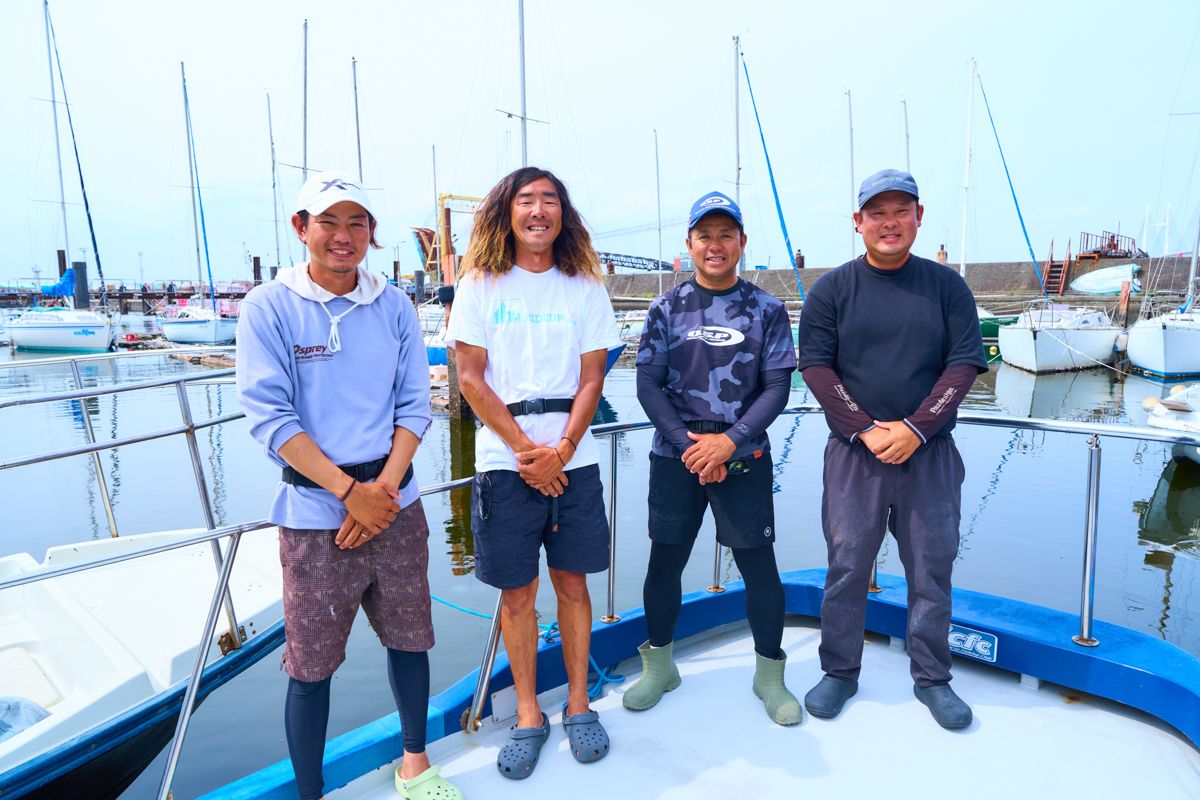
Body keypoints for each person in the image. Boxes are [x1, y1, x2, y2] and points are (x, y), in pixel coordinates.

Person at [236, 170, 461, 800]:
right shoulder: (269, 307)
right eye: (328, 222)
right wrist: (347, 491)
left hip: (395, 502)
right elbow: (270, 416)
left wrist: (382, 491)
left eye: (356, 222)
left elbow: (415, 405)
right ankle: (311, 792)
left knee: (410, 640)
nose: (343, 236)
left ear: (372, 233)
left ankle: (415, 764)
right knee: (309, 666)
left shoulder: (393, 305)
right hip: (314, 514)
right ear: (300, 228)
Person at [796, 169, 987, 729]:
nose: (889, 223)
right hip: (856, 456)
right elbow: (816, 366)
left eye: (901, 211)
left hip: (929, 454)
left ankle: (932, 677)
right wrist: (866, 428)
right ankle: (839, 671)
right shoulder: (832, 290)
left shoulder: (947, 287)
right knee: (847, 565)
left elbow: (964, 363)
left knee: (932, 569)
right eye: (876, 213)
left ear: (919, 218)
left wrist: (918, 426)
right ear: (858, 223)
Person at [445, 166, 619, 779]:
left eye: (550, 200)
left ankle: (577, 703)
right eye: (527, 201)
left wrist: (563, 450)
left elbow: (594, 376)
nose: (539, 211)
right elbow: (469, 378)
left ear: (563, 214)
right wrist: (527, 451)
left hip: (576, 460)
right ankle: (526, 712)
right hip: (504, 461)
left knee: (572, 585)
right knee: (517, 595)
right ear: (507, 212)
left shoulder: (585, 288)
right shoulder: (481, 284)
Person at [625, 191, 801, 725]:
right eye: (705, 235)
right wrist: (690, 446)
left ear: (742, 242)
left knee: (759, 566)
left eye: (727, 234)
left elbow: (777, 387)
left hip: (743, 452)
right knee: (666, 561)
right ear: (689, 244)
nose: (716, 245)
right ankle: (660, 666)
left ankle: (770, 675)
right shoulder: (665, 307)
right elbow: (647, 384)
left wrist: (730, 441)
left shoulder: (767, 310)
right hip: (675, 454)